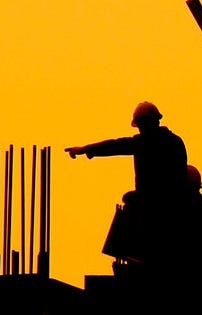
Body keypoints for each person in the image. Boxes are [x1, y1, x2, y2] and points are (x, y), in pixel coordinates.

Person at [66, 101, 190, 264]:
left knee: (132, 205)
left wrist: (85, 149)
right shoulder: (175, 142)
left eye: (141, 125)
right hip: (174, 206)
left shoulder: (145, 142)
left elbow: (115, 146)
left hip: (156, 209)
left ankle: (135, 255)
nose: (140, 129)